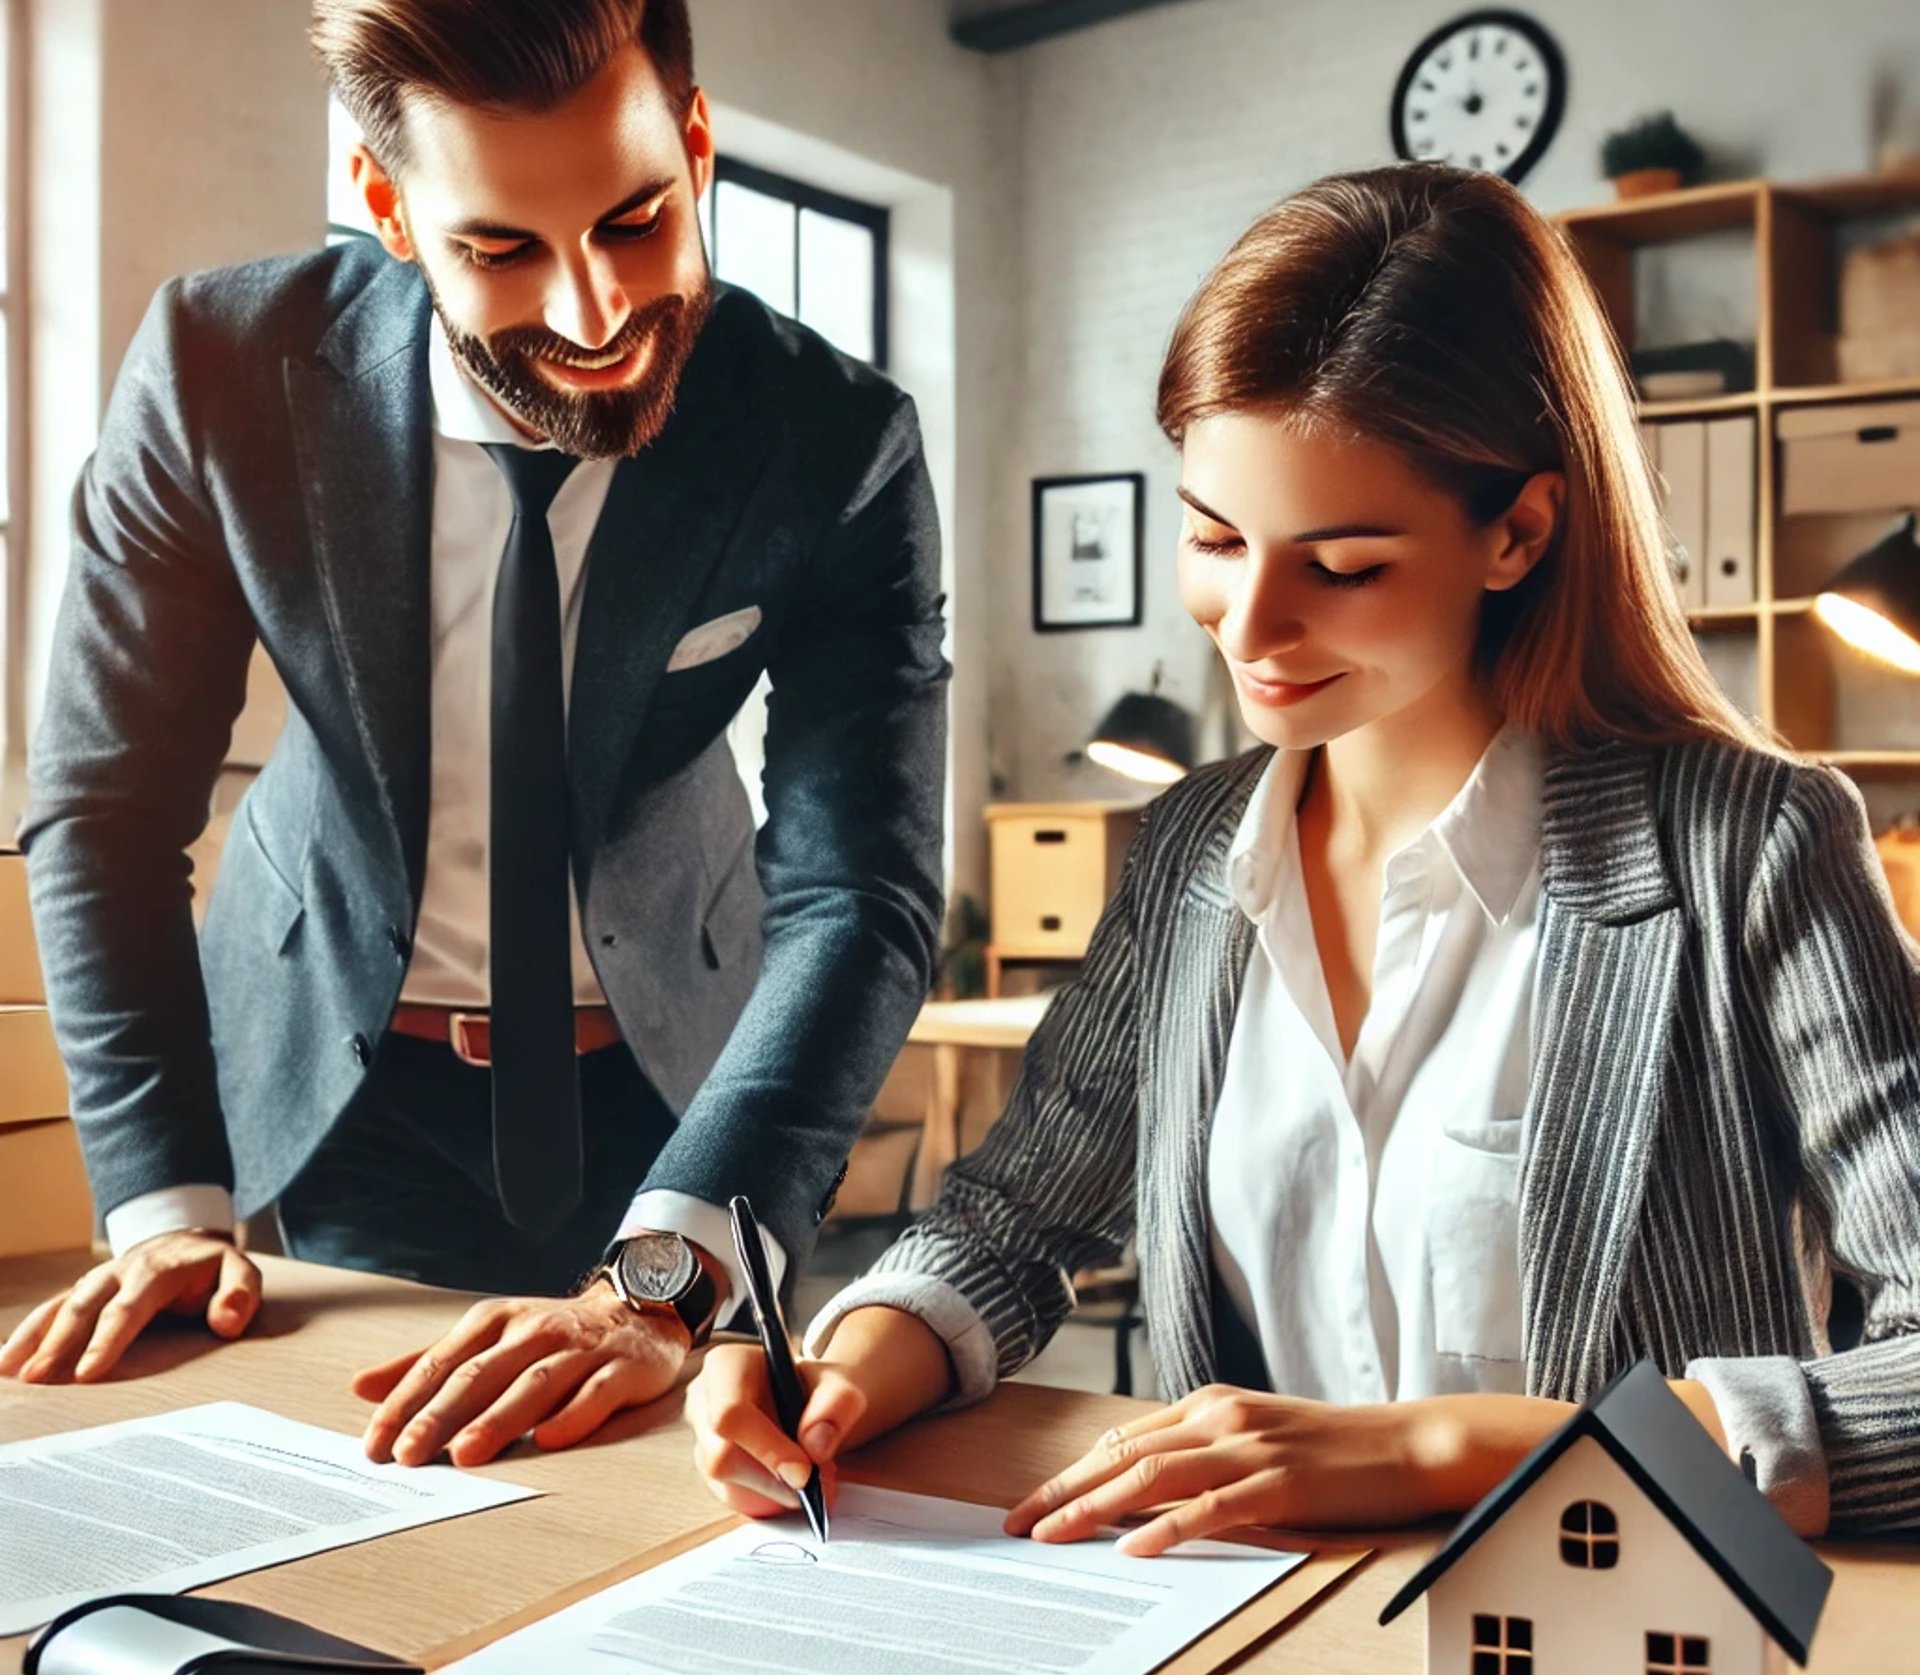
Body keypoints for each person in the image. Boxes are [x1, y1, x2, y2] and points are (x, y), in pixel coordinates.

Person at [688, 162, 1920, 1548]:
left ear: (1517, 532)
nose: (1249, 626)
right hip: (1232, 1641)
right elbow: (1012, 1218)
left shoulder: (1749, 849)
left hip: (1607, 1668)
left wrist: (1447, 1448)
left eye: (1340, 566)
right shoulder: (1194, 854)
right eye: (1214, 536)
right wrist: (845, 1371)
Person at [1, 0, 946, 1472]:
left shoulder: (831, 442)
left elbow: (863, 884)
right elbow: (102, 808)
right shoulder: (220, 372)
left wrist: (674, 1272)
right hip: (337, 1093)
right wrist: (164, 1203)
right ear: (384, 202)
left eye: (639, 220)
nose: (594, 319)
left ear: (695, 139)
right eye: (503, 248)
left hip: (681, 1104)